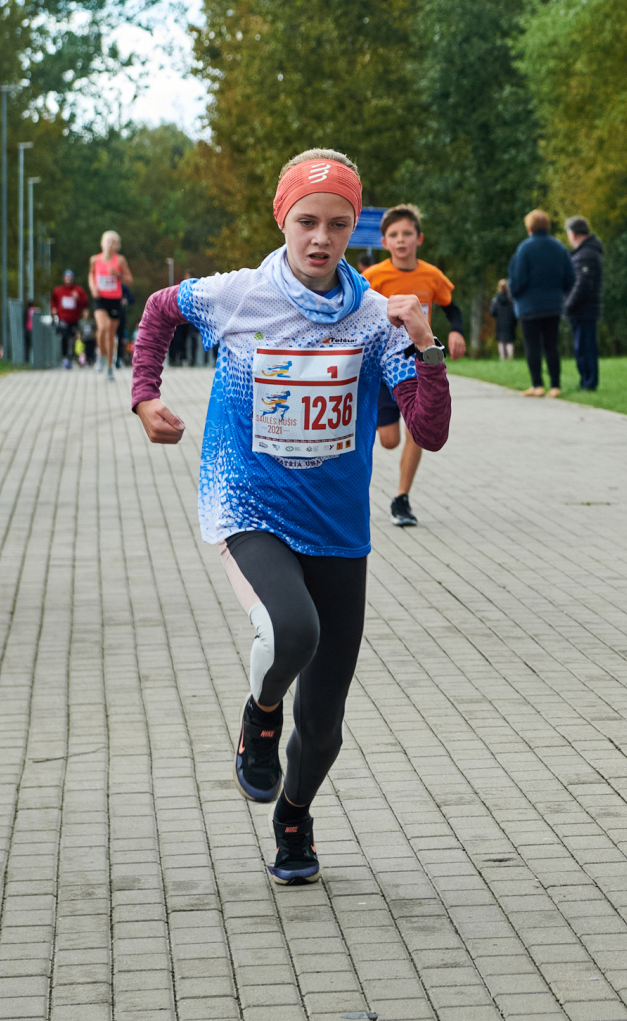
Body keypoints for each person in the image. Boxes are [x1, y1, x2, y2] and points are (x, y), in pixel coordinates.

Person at [128, 147, 452, 886]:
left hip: (338, 528)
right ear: (283, 219)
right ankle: (261, 709)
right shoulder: (239, 295)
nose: (321, 238)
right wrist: (145, 396)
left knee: (327, 719)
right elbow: (157, 311)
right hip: (248, 503)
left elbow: (428, 431)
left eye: (337, 224)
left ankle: (295, 816)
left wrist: (425, 344)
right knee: (291, 631)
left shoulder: (376, 318)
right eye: (307, 221)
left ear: (354, 230)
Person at [364, 204, 468, 527]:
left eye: (407, 233)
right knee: (389, 440)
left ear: (418, 239)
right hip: (385, 366)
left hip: (418, 361)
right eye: (394, 235)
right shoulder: (373, 277)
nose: (401, 240)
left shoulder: (432, 275)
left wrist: (456, 331)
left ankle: (402, 497)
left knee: (418, 429)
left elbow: (453, 309)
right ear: (385, 243)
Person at [507, 209, 575, 398]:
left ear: (529, 227)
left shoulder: (524, 249)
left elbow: (518, 278)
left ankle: (537, 385)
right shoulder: (558, 247)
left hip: (529, 306)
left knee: (532, 346)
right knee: (551, 345)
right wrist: (560, 292)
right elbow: (570, 276)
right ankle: (555, 385)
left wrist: (515, 294)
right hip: (553, 304)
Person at [564, 215, 605, 391]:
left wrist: (568, 304)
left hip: (584, 309)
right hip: (584, 309)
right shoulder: (586, 252)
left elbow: (582, 284)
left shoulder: (586, 254)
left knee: (585, 347)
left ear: (573, 233)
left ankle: (588, 383)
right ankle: (586, 381)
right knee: (583, 347)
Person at [89, 230, 133, 381]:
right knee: (102, 327)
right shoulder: (95, 260)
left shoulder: (120, 260)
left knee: (110, 333)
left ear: (117, 246)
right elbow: (91, 275)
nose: (110, 244)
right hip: (100, 299)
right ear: (102, 243)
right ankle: (101, 355)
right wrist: (93, 288)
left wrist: (118, 275)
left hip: (114, 299)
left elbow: (129, 279)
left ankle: (109, 366)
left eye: (113, 242)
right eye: (108, 241)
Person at [50, 269, 90, 369]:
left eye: (70, 278)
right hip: (63, 319)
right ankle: (65, 358)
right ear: (64, 279)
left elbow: (86, 302)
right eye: (67, 277)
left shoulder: (78, 290)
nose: (68, 280)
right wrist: (54, 309)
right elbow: (53, 302)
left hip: (75, 319)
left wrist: (78, 298)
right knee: (64, 337)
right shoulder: (58, 290)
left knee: (73, 339)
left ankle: (72, 357)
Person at [491, 278, 517, 361]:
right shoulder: (511, 299)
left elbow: (493, 312)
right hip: (510, 322)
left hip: (500, 322)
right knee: (509, 341)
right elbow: (515, 311)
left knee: (501, 341)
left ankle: (502, 358)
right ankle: (510, 358)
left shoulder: (496, 299)